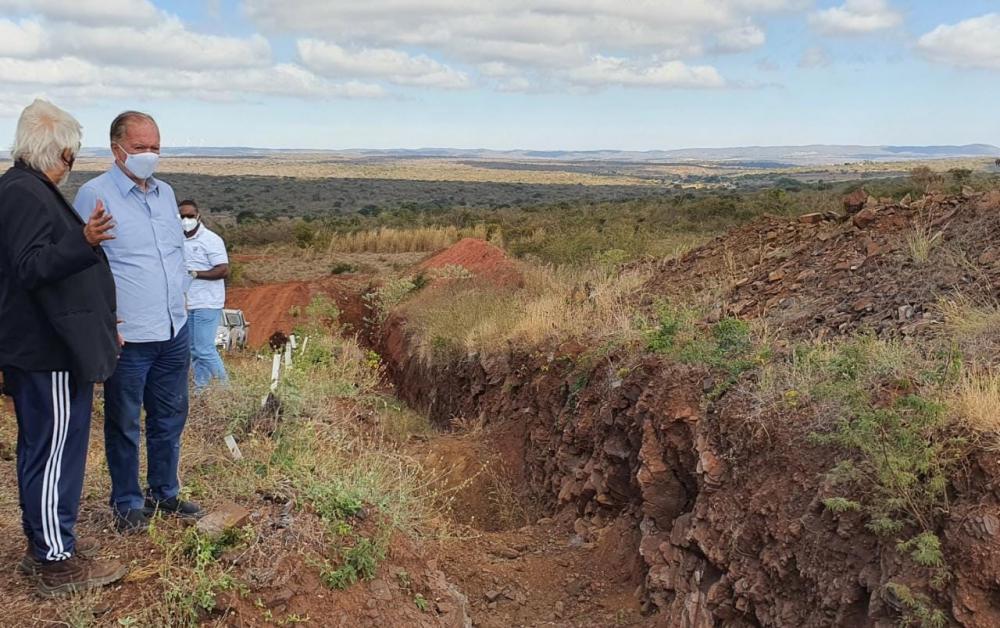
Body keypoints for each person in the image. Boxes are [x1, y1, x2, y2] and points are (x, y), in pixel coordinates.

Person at [0, 99, 127, 595]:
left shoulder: (23, 190)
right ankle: (55, 560)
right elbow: (32, 267)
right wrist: (85, 239)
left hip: (47, 349)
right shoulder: (25, 194)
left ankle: (50, 544)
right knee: (53, 452)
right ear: (52, 150)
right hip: (45, 351)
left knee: (45, 449)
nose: (70, 164)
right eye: (70, 154)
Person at [73, 111, 204, 533]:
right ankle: (127, 502)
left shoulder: (165, 194)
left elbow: (172, 254)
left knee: (170, 416)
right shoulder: (95, 195)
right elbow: (85, 268)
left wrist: (181, 298)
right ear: (117, 149)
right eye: (141, 148)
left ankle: (165, 493)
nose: (150, 155)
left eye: (155, 148)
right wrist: (105, 323)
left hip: (172, 329)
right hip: (128, 336)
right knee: (124, 421)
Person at [179, 199, 230, 391]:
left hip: (207, 302)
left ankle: (225, 389)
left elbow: (223, 270)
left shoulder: (211, 240)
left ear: (198, 216)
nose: (186, 220)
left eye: (190, 216)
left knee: (205, 349)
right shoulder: (178, 239)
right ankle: (202, 390)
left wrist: (196, 273)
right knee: (194, 350)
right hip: (188, 302)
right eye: (182, 216)